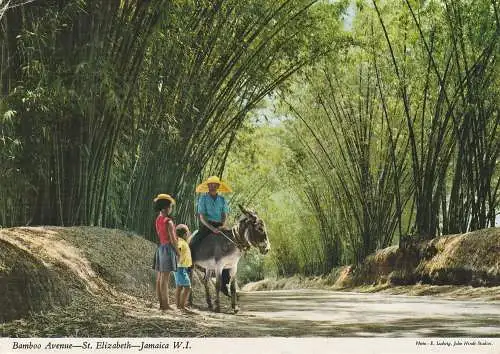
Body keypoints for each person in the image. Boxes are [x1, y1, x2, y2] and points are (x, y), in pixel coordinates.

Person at [152, 193, 179, 311]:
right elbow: (173, 239)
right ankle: (166, 305)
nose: (171, 209)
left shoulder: (158, 219)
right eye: (170, 207)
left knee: (159, 278)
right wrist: (178, 252)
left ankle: (161, 304)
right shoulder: (168, 221)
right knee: (165, 279)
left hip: (160, 248)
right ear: (165, 208)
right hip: (168, 249)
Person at [191, 176, 232, 249]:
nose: (213, 187)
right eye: (211, 185)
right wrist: (212, 229)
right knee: (194, 242)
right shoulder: (203, 199)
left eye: (215, 185)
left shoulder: (222, 199)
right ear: (208, 186)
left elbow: (224, 215)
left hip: (220, 225)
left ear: (218, 186)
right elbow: (202, 217)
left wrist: (221, 226)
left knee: (233, 241)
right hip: (207, 226)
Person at [173, 224, 193, 311]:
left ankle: (178, 305)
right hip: (180, 268)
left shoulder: (180, 241)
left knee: (179, 287)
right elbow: (178, 252)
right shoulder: (181, 242)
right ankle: (181, 305)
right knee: (187, 287)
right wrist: (178, 261)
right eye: (188, 232)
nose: (189, 234)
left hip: (180, 268)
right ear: (185, 234)